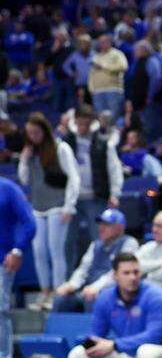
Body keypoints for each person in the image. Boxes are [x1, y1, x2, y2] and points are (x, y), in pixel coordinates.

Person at [67, 252, 162, 358]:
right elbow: (96, 334)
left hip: (157, 354)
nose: (133, 277)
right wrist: (93, 344)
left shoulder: (156, 296)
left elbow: (154, 336)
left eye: (136, 272)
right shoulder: (105, 298)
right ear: (115, 276)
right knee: (78, 355)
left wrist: (114, 345)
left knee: (146, 352)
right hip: (124, 355)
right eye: (126, 273)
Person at [20, 111, 80, 311]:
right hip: (37, 208)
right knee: (39, 252)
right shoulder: (31, 153)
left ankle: (57, 293)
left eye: (36, 132)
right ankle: (44, 291)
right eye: (29, 133)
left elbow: (74, 177)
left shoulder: (60, 148)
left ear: (44, 131)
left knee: (56, 251)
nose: (33, 137)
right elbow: (25, 180)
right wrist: (23, 160)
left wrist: (69, 206)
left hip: (58, 206)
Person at [62, 104, 123, 268]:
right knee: (66, 242)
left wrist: (115, 194)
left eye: (86, 124)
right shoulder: (65, 141)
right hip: (70, 200)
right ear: (75, 121)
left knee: (100, 240)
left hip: (95, 198)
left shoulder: (103, 142)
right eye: (80, 123)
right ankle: (67, 280)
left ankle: (100, 276)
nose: (83, 127)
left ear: (92, 122)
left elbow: (114, 169)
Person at [52, 208, 139, 313]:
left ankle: (95, 329)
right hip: (89, 288)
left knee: (93, 298)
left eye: (107, 225)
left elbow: (119, 273)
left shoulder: (129, 243)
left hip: (113, 289)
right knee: (61, 299)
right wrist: (71, 284)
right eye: (100, 224)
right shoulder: (95, 245)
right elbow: (83, 269)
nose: (101, 228)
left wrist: (97, 287)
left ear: (119, 228)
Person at [0, 180, 34, 358]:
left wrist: (17, 250)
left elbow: (29, 222)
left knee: (0, 309)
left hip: (2, 259)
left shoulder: (8, 188)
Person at [88, 33, 128, 122]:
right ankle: (104, 134)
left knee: (114, 117)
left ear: (110, 42)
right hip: (97, 91)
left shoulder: (117, 54)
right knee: (100, 117)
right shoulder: (96, 57)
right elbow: (91, 73)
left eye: (104, 42)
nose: (101, 44)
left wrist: (104, 67)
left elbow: (123, 66)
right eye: (100, 42)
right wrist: (91, 88)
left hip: (113, 89)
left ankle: (114, 134)